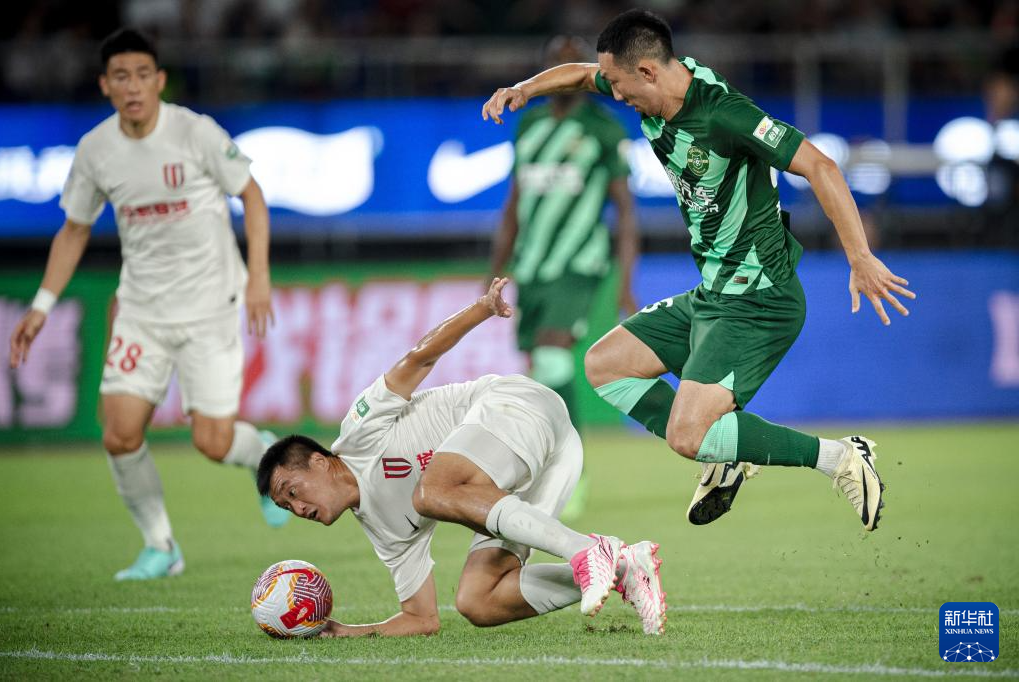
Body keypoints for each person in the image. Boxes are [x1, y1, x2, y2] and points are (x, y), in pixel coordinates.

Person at [482, 9, 916, 531]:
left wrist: (860, 256)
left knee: (688, 436)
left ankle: (840, 457)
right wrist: (524, 89)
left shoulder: (725, 114)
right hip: (714, 293)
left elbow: (820, 165)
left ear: (647, 71)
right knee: (605, 364)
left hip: (759, 299)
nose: (614, 95)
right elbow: (578, 75)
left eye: (618, 85)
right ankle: (725, 453)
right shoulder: (648, 81)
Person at [8, 28, 289, 581]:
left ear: (159, 81)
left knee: (212, 442)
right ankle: (161, 546)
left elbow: (251, 195)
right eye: (121, 76)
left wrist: (259, 277)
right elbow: (74, 229)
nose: (132, 86)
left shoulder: (194, 132)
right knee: (119, 433)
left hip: (210, 305)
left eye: (142, 75)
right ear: (105, 85)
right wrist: (41, 305)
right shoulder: (95, 150)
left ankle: (262, 452)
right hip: (141, 311)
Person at [257, 278, 666, 637]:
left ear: (318, 461)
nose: (298, 508)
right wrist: (342, 632)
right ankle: (623, 567)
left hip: (519, 407)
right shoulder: (384, 530)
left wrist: (483, 308)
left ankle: (587, 550)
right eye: (286, 506)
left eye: (291, 491)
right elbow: (421, 619)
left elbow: (419, 358)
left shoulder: (359, 432)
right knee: (478, 600)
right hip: (553, 461)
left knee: (430, 492)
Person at [489, 35, 639, 520]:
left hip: (579, 262)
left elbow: (625, 210)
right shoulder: (529, 124)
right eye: (556, 62)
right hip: (532, 265)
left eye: (572, 64)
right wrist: (496, 270)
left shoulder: (603, 127)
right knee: (540, 372)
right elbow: (514, 202)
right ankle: (542, 465)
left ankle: (569, 475)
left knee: (553, 358)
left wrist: (626, 282)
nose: (564, 72)